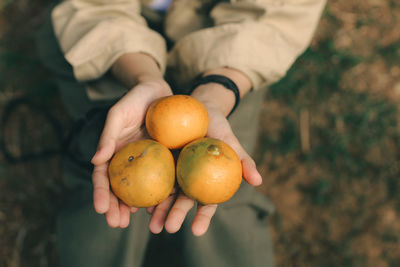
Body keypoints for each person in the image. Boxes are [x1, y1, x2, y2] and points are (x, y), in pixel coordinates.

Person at [37, 0, 326, 266]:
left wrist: (219, 88)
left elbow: (276, 16)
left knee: (224, 201)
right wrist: (143, 77)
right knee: (103, 183)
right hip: (106, 36)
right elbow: (92, 7)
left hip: (231, 45)